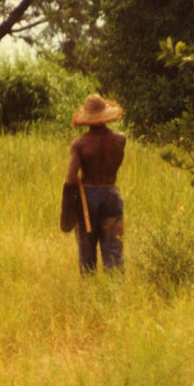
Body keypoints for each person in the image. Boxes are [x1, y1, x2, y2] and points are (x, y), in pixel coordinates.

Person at [64, 93, 127, 273]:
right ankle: (115, 293)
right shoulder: (120, 140)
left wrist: (78, 181)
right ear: (105, 115)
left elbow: (70, 178)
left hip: (88, 198)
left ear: (88, 118)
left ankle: (89, 292)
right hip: (111, 195)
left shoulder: (80, 144)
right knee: (114, 249)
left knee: (87, 251)